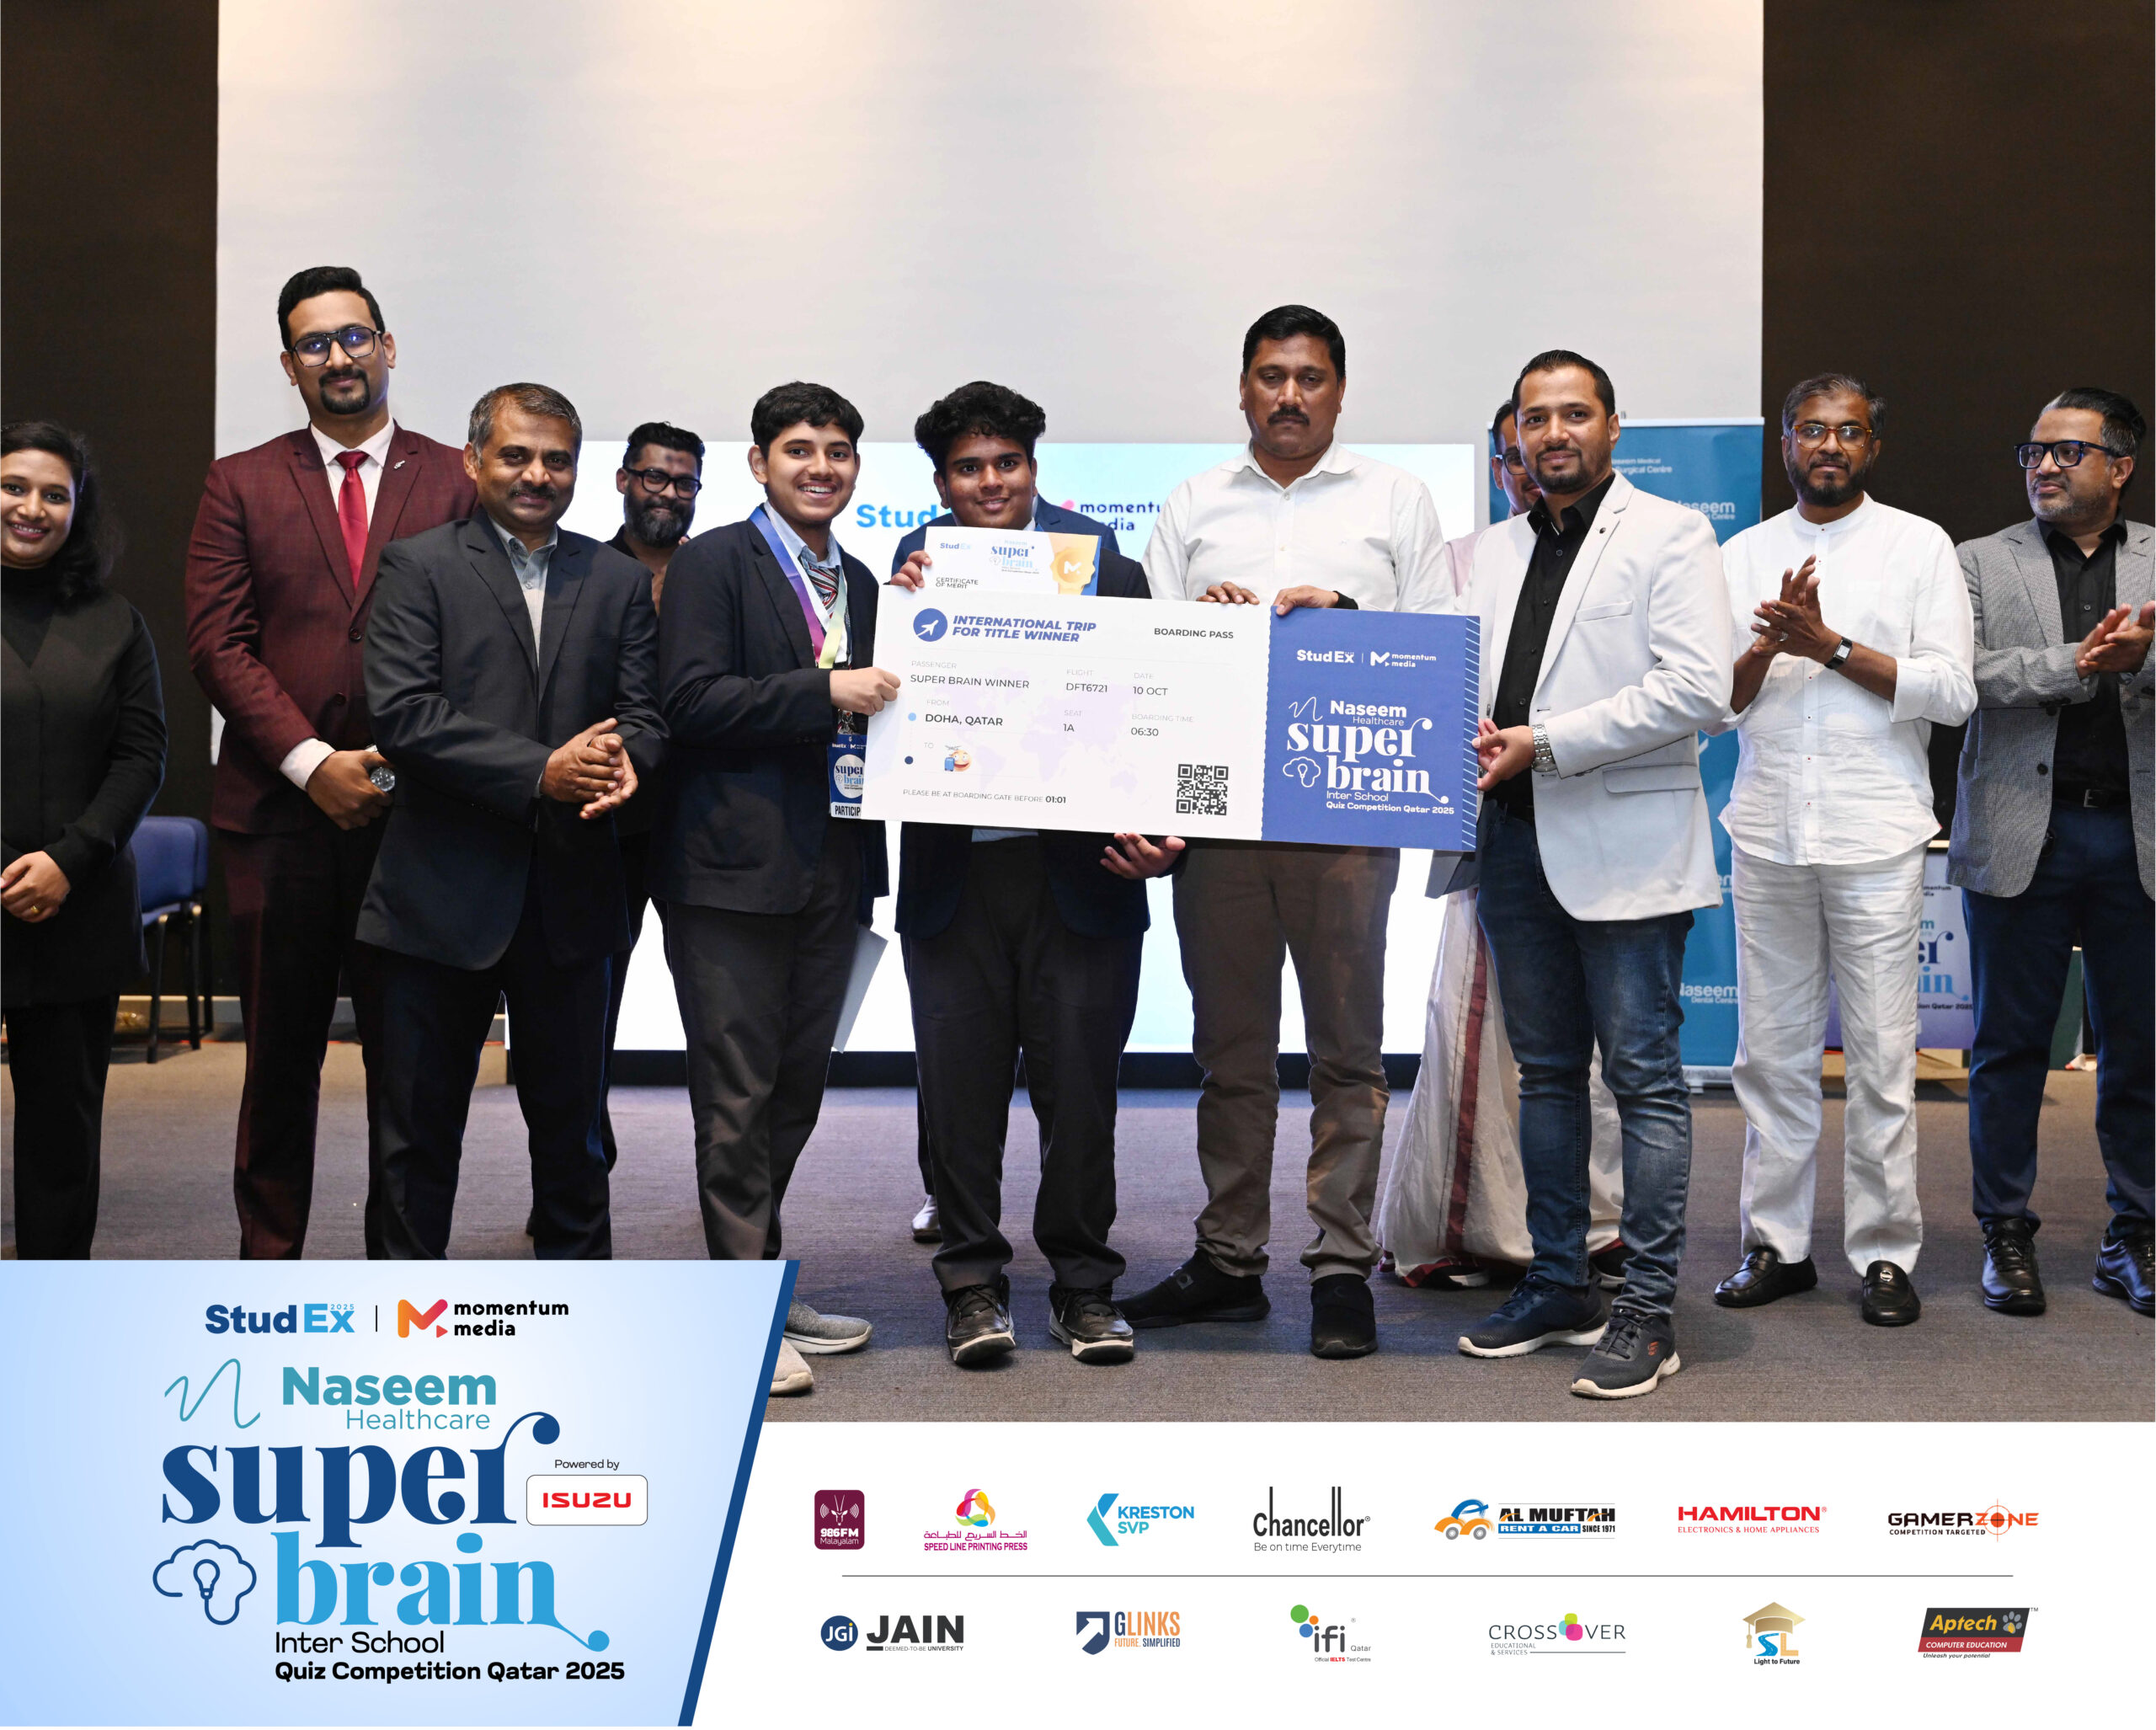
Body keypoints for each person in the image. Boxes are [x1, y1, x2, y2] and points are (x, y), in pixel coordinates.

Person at [1123, 304, 1449, 1360]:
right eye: (1271, 376)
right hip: (1217, 814)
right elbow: (1145, 655)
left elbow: (1443, 647)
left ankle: (1341, 1263)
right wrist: (1198, 624)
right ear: (1243, 388)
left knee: (1347, 1051)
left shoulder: (1395, 499)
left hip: (1345, 812)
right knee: (1230, 1052)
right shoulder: (1193, 502)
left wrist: (1349, 615)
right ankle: (1228, 1258)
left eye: (1310, 377)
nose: (1290, 395)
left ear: (1339, 390)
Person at [1456, 350, 1732, 1399]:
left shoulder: (1670, 532)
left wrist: (1547, 742)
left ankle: (1647, 1309)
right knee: (1544, 1074)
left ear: (1613, 427)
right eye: (1535, 418)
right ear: (1515, 438)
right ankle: (1558, 1280)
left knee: (1645, 1083)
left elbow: (1697, 688)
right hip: (1510, 844)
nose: (1554, 433)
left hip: (1626, 848)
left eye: (1574, 413)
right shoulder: (1488, 551)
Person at [887, 380, 1179, 1367]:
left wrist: (1163, 831)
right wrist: (904, 604)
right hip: (954, 878)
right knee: (959, 1097)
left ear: (1033, 468)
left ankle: (1084, 1288)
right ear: (941, 483)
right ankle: (971, 1285)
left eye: (1005, 462)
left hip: (1083, 876)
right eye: (967, 468)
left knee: (1081, 1096)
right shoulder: (917, 562)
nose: (989, 482)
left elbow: (1154, 706)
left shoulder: (1104, 563)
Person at [185, 264, 473, 1257]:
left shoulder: (458, 478)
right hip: (277, 820)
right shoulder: (239, 481)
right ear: (289, 365)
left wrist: (390, 765)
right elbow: (218, 644)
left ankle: (401, 1275)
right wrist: (313, 763)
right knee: (277, 1063)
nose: (338, 357)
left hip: (417, 820)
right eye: (315, 343)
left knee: (412, 1066)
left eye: (354, 336)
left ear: (387, 347)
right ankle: (270, 1271)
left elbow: (478, 641)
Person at [356, 383, 661, 1259]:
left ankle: (579, 1311)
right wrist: (541, 772)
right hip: (437, 896)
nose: (537, 475)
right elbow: (404, 716)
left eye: (557, 459)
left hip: (573, 896)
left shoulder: (615, 578)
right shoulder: (417, 565)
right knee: (414, 1142)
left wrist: (629, 758)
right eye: (517, 455)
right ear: (473, 460)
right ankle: (399, 1317)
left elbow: (644, 714)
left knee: (575, 1140)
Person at [1708, 374, 1975, 1327]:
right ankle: (1775, 1246)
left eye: (1848, 431)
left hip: (1875, 833)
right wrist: (1765, 649)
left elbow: (1953, 693)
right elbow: (1712, 705)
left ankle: (1885, 1252)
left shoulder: (1919, 545)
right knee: (1770, 1054)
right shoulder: (1740, 554)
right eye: (1811, 429)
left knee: (1880, 1056)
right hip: (1769, 830)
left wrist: (1826, 645)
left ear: (1873, 447)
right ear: (1785, 441)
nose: (1829, 445)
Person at [654, 382, 894, 1396]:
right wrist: (821, 689)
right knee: (737, 1093)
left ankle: (758, 1275)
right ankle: (741, 1314)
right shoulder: (713, 561)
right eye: (799, 449)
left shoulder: (864, 580)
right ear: (759, 463)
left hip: (834, 868)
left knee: (794, 1089)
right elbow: (688, 698)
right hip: (728, 872)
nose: (820, 467)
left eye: (837, 451)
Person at [1380, 401, 1628, 1292]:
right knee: (1483, 1036)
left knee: (1594, 1049)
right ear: (1500, 465)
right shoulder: (1462, 562)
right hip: (1494, 829)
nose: (1531, 468)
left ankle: (1596, 1225)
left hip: (1603, 824)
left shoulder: (1624, 555)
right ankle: (1476, 1230)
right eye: (1515, 455)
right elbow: (1411, 674)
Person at [1952, 387, 2153, 1318]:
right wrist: (2078, 663)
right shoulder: (1978, 560)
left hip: (2136, 835)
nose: (2043, 466)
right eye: (2033, 451)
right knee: (2007, 1049)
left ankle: (2134, 1234)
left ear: (2121, 465)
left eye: (2068, 451)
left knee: (2140, 1050)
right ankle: (2004, 1230)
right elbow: (1962, 674)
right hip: (2020, 828)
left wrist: (2143, 659)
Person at [3, 422, 167, 1257]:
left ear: (78, 510)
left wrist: (69, 860)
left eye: (54, 495)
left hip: (78, 902)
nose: (32, 508)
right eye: (13, 487)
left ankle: (51, 1300)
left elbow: (142, 755)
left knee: (62, 1132)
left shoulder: (115, 623)